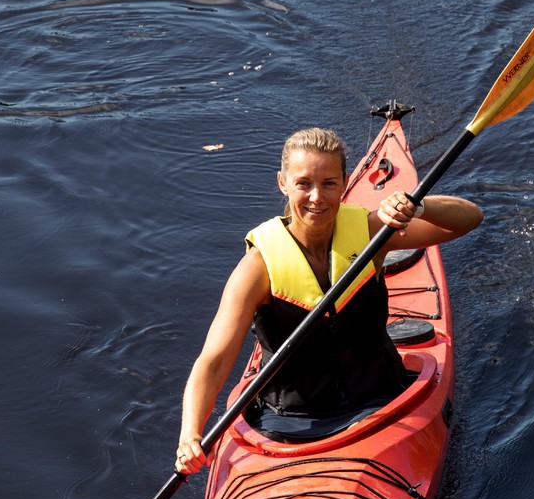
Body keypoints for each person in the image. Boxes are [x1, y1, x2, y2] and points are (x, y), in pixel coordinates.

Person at [176, 126, 483, 474]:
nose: (317, 197)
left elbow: (468, 219)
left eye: (329, 183)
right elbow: (214, 361)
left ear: (346, 182)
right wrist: (190, 434)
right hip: (287, 423)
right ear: (283, 183)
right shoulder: (257, 268)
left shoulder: (372, 232)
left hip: (382, 400)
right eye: (304, 183)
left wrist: (418, 205)